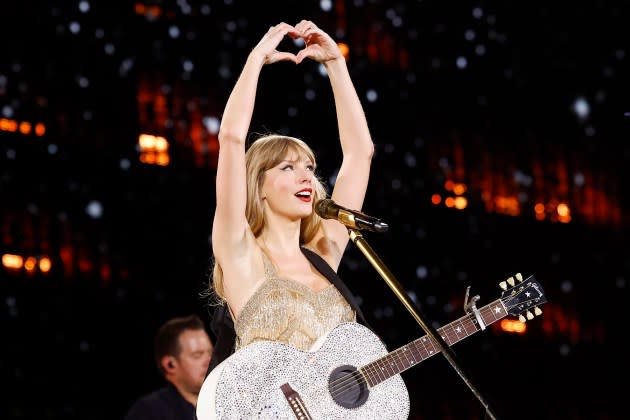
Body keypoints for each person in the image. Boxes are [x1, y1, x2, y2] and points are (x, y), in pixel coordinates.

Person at [197, 19, 401, 419]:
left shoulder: (326, 250)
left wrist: (336, 65)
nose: (306, 176)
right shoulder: (240, 253)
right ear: (258, 186)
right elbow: (232, 139)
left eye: (309, 166)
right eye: (287, 168)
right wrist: (256, 59)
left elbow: (360, 154)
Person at [123, 314, 213, 420]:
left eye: (211, 353)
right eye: (197, 355)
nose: (209, 360)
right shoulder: (148, 412)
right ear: (170, 365)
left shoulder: (222, 403)